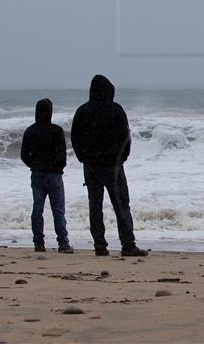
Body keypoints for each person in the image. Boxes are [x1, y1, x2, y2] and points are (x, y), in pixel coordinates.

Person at [71, 74, 148, 257]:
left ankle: (100, 246)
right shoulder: (116, 110)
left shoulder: (82, 111)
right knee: (121, 204)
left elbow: (75, 138)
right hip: (113, 166)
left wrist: (83, 157)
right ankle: (128, 244)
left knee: (95, 206)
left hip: (91, 166)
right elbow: (125, 137)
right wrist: (122, 158)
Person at [20, 98, 73, 254]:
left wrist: (33, 165)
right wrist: (58, 167)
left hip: (37, 174)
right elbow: (62, 154)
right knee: (58, 210)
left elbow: (24, 155)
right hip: (54, 174)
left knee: (37, 208)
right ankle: (63, 243)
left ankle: (39, 243)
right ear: (50, 112)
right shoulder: (56, 131)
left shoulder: (30, 131)